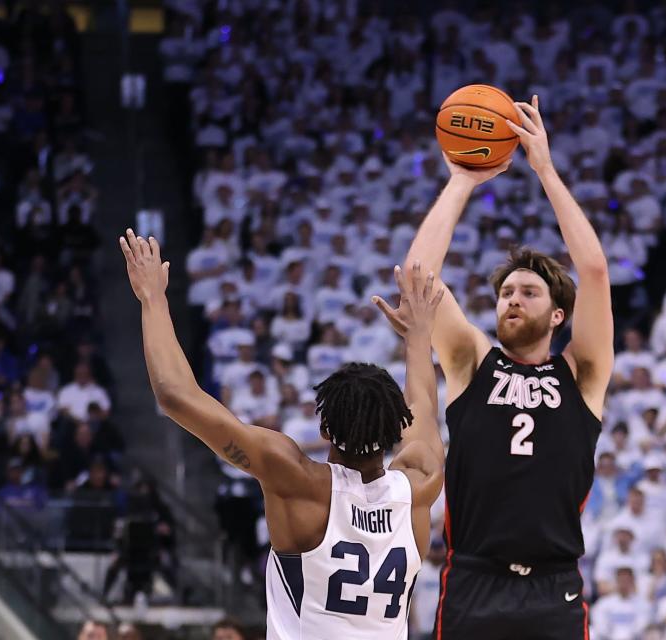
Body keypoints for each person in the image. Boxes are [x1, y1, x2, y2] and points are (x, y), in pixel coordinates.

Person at [120, 230, 445, 639]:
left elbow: (174, 395)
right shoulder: (421, 484)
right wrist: (418, 337)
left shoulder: (295, 477)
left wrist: (152, 297)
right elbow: (424, 409)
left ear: (324, 428)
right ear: (395, 428)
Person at [405, 95, 613, 639]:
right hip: (475, 579)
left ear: (558, 314)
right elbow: (417, 274)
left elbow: (592, 270)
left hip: (554, 587)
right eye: (505, 293)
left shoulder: (582, 374)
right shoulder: (473, 362)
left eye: (528, 292)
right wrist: (461, 181)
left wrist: (544, 168)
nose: (511, 300)